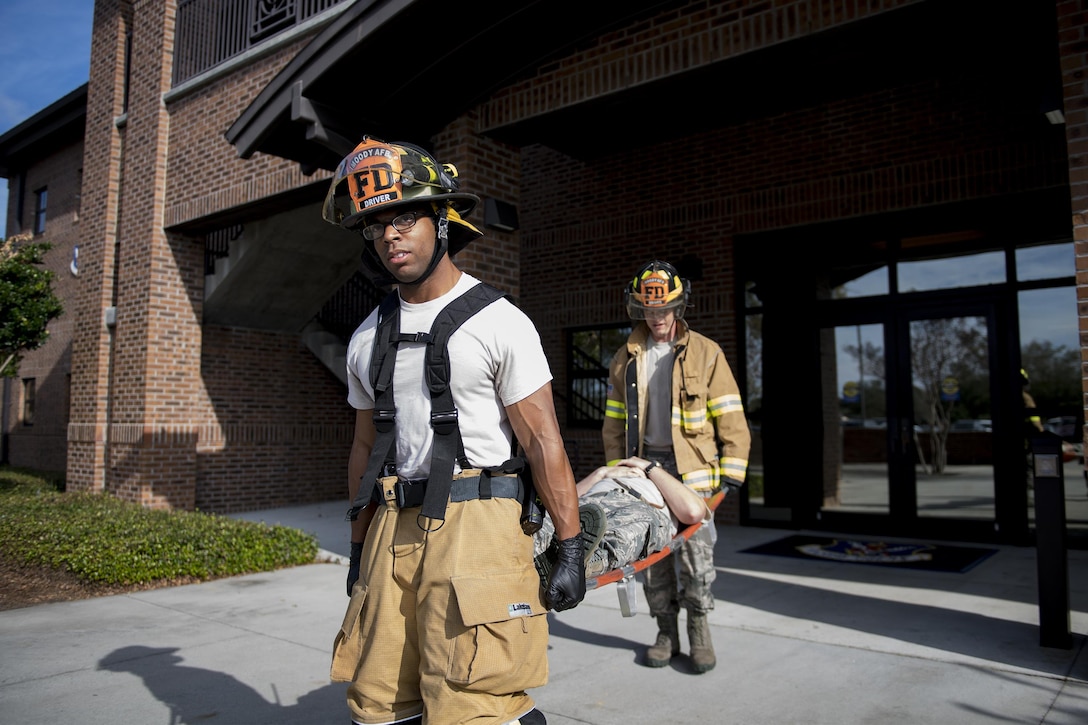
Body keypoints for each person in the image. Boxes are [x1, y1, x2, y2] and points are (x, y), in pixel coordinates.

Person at [322, 136, 585, 725]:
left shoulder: (500, 322)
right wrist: (359, 547)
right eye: (376, 225)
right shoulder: (366, 337)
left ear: (441, 219)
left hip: (480, 522)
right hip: (392, 520)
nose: (390, 235)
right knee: (377, 702)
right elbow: (365, 449)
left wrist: (569, 546)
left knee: (473, 703)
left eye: (405, 216)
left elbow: (544, 441)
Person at [602, 260, 751, 674]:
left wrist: (734, 468)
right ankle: (665, 631)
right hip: (643, 471)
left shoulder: (707, 353)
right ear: (639, 310)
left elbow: (731, 415)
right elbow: (614, 422)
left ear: (678, 307)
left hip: (694, 474)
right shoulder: (625, 358)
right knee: (653, 556)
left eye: (665, 310)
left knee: (696, 559)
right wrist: (619, 472)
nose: (658, 318)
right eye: (650, 311)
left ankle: (699, 632)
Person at [533, 456, 711, 578]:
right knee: (552, 520)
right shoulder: (606, 475)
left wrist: (649, 468)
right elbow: (564, 503)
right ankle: (536, 552)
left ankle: (581, 563)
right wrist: (601, 473)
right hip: (593, 502)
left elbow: (693, 512)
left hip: (641, 505)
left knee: (628, 532)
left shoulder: (668, 488)